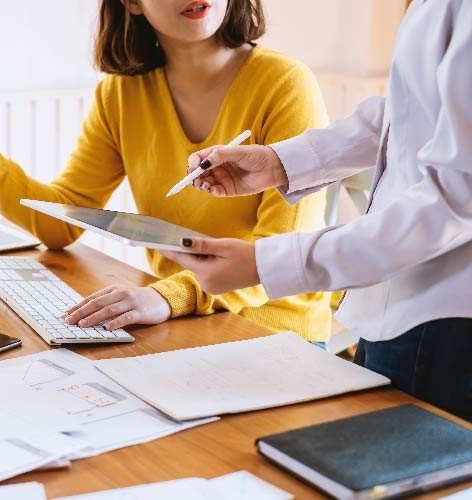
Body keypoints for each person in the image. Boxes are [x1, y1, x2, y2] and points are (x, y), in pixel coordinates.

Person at [0, 0, 333, 344]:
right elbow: (60, 223)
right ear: (133, 2)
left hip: (278, 334)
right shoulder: (121, 93)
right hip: (187, 324)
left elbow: (278, 252)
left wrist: (166, 295)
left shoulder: (286, 84)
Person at [162, 0, 472, 420]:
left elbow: (455, 200)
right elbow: (411, 112)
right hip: (399, 305)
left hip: (442, 315)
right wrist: (278, 162)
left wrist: (265, 264)